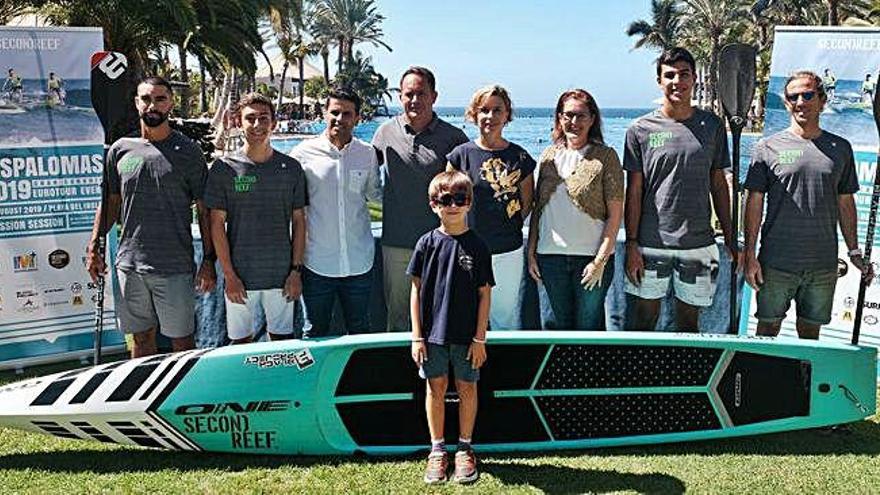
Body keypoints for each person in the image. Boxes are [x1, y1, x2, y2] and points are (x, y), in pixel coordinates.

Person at [86, 76, 216, 358]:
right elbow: (110, 202)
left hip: (174, 266)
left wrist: (208, 260)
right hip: (129, 265)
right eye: (146, 99)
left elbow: (205, 211)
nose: (152, 105)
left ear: (170, 103)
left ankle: (182, 398)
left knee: (181, 344)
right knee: (141, 341)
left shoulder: (189, 153)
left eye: (160, 99)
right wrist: (94, 244)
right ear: (136, 103)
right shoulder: (120, 150)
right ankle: (143, 398)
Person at [743, 70, 872, 339]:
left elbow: (845, 203)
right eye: (793, 97)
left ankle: (802, 382)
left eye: (808, 94)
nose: (800, 101)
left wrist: (854, 250)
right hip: (775, 263)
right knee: (767, 331)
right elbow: (754, 202)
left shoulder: (840, 148)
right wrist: (749, 255)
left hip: (822, 266)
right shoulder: (766, 147)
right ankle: (766, 383)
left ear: (822, 100)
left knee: (810, 336)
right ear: (787, 103)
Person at [623, 47, 736, 332]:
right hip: (650, 243)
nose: (677, 81)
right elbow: (634, 191)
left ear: (694, 78)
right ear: (659, 81)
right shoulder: (639, 129)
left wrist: (732, 237)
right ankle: (642, 376)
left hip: (699, 244)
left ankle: (685, 376)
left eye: (683, 74)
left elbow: (719, 185)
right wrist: (633, 243)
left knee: (689, 323)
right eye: (669, 75)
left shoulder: (711, 125)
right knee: (643, 321)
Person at [409, 167, 493, 485]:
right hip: (432, 335)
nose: (453, 205)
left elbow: (485, 293)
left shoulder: (478, 246)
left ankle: (465, 448)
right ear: (434, 204)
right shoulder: (426, 244)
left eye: (460, 198)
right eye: (446, 199)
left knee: (468, 387)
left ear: (470, 203)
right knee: (436, 387)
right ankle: (437, 449)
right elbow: (415, 289)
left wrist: (479, 339)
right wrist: (417, 336)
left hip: (467, 336)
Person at [372, 67, 468, 333]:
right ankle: (399, 371)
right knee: (399, 316)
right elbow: (361, 175)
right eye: (408, 94)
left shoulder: (454, 138)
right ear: (400, 97)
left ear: (434, 96)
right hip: (397, 243)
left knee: (440, 315)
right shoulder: (384, 133)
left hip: (442, 243)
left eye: (421, 94)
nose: (414, 100)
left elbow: (466, 190)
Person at [205, 93, 306, 343]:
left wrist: (295, 271)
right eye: (250, 119)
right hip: (240, 277)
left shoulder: (291, 168)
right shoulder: (223, 169)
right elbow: (216, 225)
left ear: (273, 123)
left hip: (281, 275)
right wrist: (229, 275)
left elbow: (300, 222)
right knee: (240, 344)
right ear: (239, 122)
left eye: (264, 118)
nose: (258, 125)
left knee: (282, 343)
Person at [527, 89, 623, 330]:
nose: (574, 122)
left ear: (592, 119)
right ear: (559, 118)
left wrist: (600, 260)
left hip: (590, 259)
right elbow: (539, 209)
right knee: (553, 328)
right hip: (550, 258)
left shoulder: (606, 157)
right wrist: (531, 253)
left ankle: (590, 370)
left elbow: (615, 214)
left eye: (581, 116)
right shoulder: (548, 156)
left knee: (588, 329)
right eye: (568, 115)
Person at [290, 87, 381, 337]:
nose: (340, 119)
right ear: (324, 113)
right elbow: (292, 205)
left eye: (347, 114)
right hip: (317, 262)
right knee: (314, 332)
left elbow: (376, 195)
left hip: (359, 260)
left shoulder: (368, 153)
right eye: (335, 112)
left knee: (361, 331)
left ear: (357, 118)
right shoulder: (301, 154)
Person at [447, 84, 535, 330]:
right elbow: (447, 202)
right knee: (466, 319)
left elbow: (526, 205)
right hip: (467, 250)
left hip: (508, 251)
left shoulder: (520, 157)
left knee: (504, 320)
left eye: (497, 110)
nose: (490, 116)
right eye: (484, 110)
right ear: (474, 114)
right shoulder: (459, 156)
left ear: (507, 115)